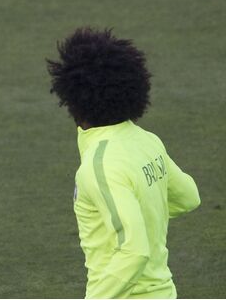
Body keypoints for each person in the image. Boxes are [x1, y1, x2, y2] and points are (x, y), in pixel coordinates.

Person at [47, 28, 201, 298]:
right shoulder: (148, 141)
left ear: (72, 100)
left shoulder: (99, 166)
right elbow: (189, 197)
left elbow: (134, 252)